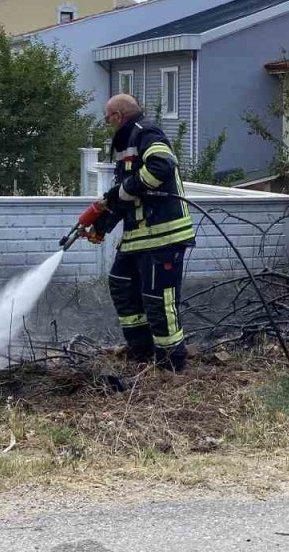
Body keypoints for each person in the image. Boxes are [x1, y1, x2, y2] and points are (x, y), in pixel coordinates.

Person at [90, 94, 195, 372]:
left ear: (118, 116)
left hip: (163, 234)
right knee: (120, 283)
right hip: (138, 237)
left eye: (107, 117)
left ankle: (171, 363)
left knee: (158, 298)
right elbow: (126, 194)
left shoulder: (146, 133)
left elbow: (161, 166)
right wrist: (104, 222)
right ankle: (141, 350)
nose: (107, 123)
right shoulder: (126, 146)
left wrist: (122, 191)